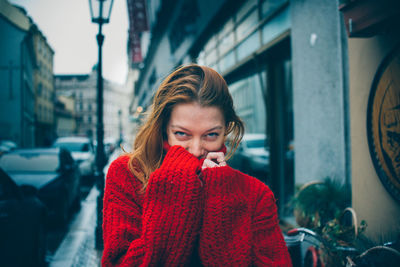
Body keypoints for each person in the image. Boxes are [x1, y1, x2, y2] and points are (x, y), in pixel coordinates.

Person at [102, 64, 292, 266]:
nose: (195, 149)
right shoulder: (128, 174)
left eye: (211, 135)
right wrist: (173, 202)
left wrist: (222, 209)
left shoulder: (255, 195)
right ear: (165, 127)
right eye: (182, 134)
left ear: (226, 129)